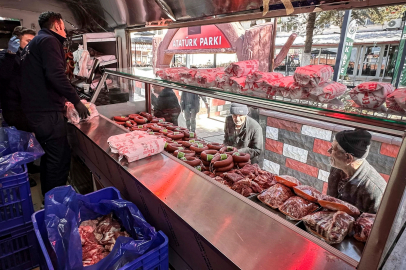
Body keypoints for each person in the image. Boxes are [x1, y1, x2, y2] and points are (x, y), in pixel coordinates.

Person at [20, 12, 89, 196]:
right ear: (57, 24)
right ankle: (55, 204)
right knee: (58, 159)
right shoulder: (49, 41)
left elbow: (43, 78)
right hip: (46, 114)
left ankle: (48, 199)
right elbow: (55, 75)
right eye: (64, 27)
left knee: (50, 157)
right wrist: (75, 101)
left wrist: (62, 99)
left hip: (36, 111)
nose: (65, 31)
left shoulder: (36, 42)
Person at [327, 129, 387, 214]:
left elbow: (372, 224)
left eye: (333, 149)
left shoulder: (375, 191)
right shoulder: (337, 169)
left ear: (348, 158)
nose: (328, 151)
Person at [0, 26, 36, 131]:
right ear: (16, 41)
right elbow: (3, 75)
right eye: (28, 41)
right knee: (18, 137)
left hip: (29, 106)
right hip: (13, 108)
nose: (31, 45)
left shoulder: (29, 57)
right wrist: (10, 54)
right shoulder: (5, 55)